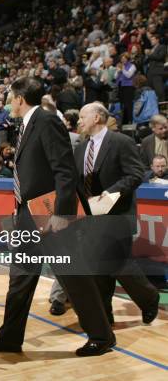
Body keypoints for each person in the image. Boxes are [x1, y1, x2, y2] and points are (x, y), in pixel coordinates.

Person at [0, 77, 116, 357]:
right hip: (27, 214)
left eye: (12, 98)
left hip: (50, 215)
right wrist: (18, 206)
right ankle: (10, 337)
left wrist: (63, 214)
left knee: (74, 278)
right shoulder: (25, 125)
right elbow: (32, 173)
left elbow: (64, 170)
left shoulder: (46, 121)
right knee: (20, 278)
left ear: (20, 99)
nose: (10, 103)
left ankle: (102, 336)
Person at [76, 103, 160, 325]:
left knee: (118, 263)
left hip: (117, 213)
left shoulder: (121, 141)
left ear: (97, 117)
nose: (79, 121)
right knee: (97, 267)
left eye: (83, 116)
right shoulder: (81, 148)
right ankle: (105, 315)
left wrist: (109, 193)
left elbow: (136, 174)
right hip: (91, 216)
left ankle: (149, 298)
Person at [145, 34, 166, 101]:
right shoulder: (151, 49)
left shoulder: (162, 47)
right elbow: (146, 60)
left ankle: (162, 106)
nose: (151, 41)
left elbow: (160, 57)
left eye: (153, 39)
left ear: (157, 40)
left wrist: (149, 54)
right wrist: (146, 56)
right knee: (151, 92)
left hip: (158, 72)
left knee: (159, 91)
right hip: (150, 73)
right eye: (151, 40)